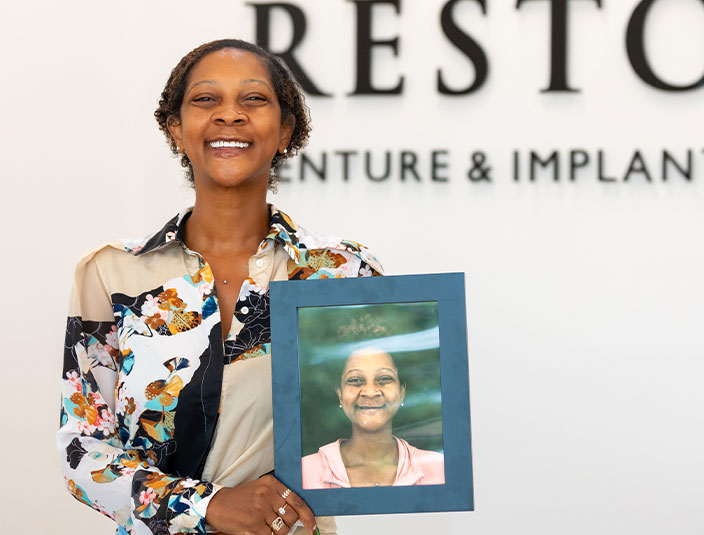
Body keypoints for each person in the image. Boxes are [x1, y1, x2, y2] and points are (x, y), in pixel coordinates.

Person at [57, 39, 383, 535]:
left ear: (285, 130)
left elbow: (369, 420)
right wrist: (208, 505)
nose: (230, 114)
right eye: (206, 99)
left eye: (254, 99)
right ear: (176, 129)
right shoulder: (111, 273)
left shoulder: (342, 271)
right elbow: (82, 450)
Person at [301, 347, 444, 489]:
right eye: (355, 380)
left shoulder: (438, 468)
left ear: (401, 392)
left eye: (384, 379)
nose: (370, 392)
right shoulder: (306, 472)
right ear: (340, 394)